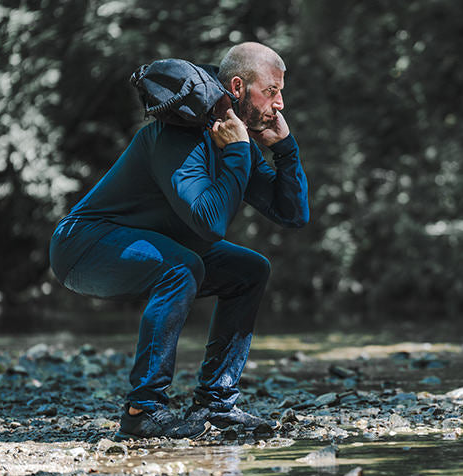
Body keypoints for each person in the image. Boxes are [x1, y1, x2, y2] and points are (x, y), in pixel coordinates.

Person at [48, 42, 309, 440]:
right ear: (238, 87)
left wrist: (284, 150)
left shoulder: (235, 139)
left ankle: (216, 402)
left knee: (250, 270)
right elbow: (209, 222)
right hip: (82, 246)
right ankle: (143, 409)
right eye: (271, 90)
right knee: (183, 266)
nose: (280, 103)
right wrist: (240, 150)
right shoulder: (178, 136)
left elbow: (292, 214)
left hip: (151, 244)